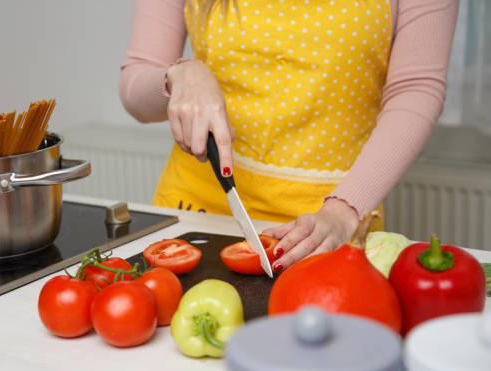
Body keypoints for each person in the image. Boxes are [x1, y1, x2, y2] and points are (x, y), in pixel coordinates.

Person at [118, 0, 458, 273]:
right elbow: (134, 91)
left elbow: (416, 89)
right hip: (192, 215)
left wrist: (345, 210)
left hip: (332, 223)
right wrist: (178, 76)